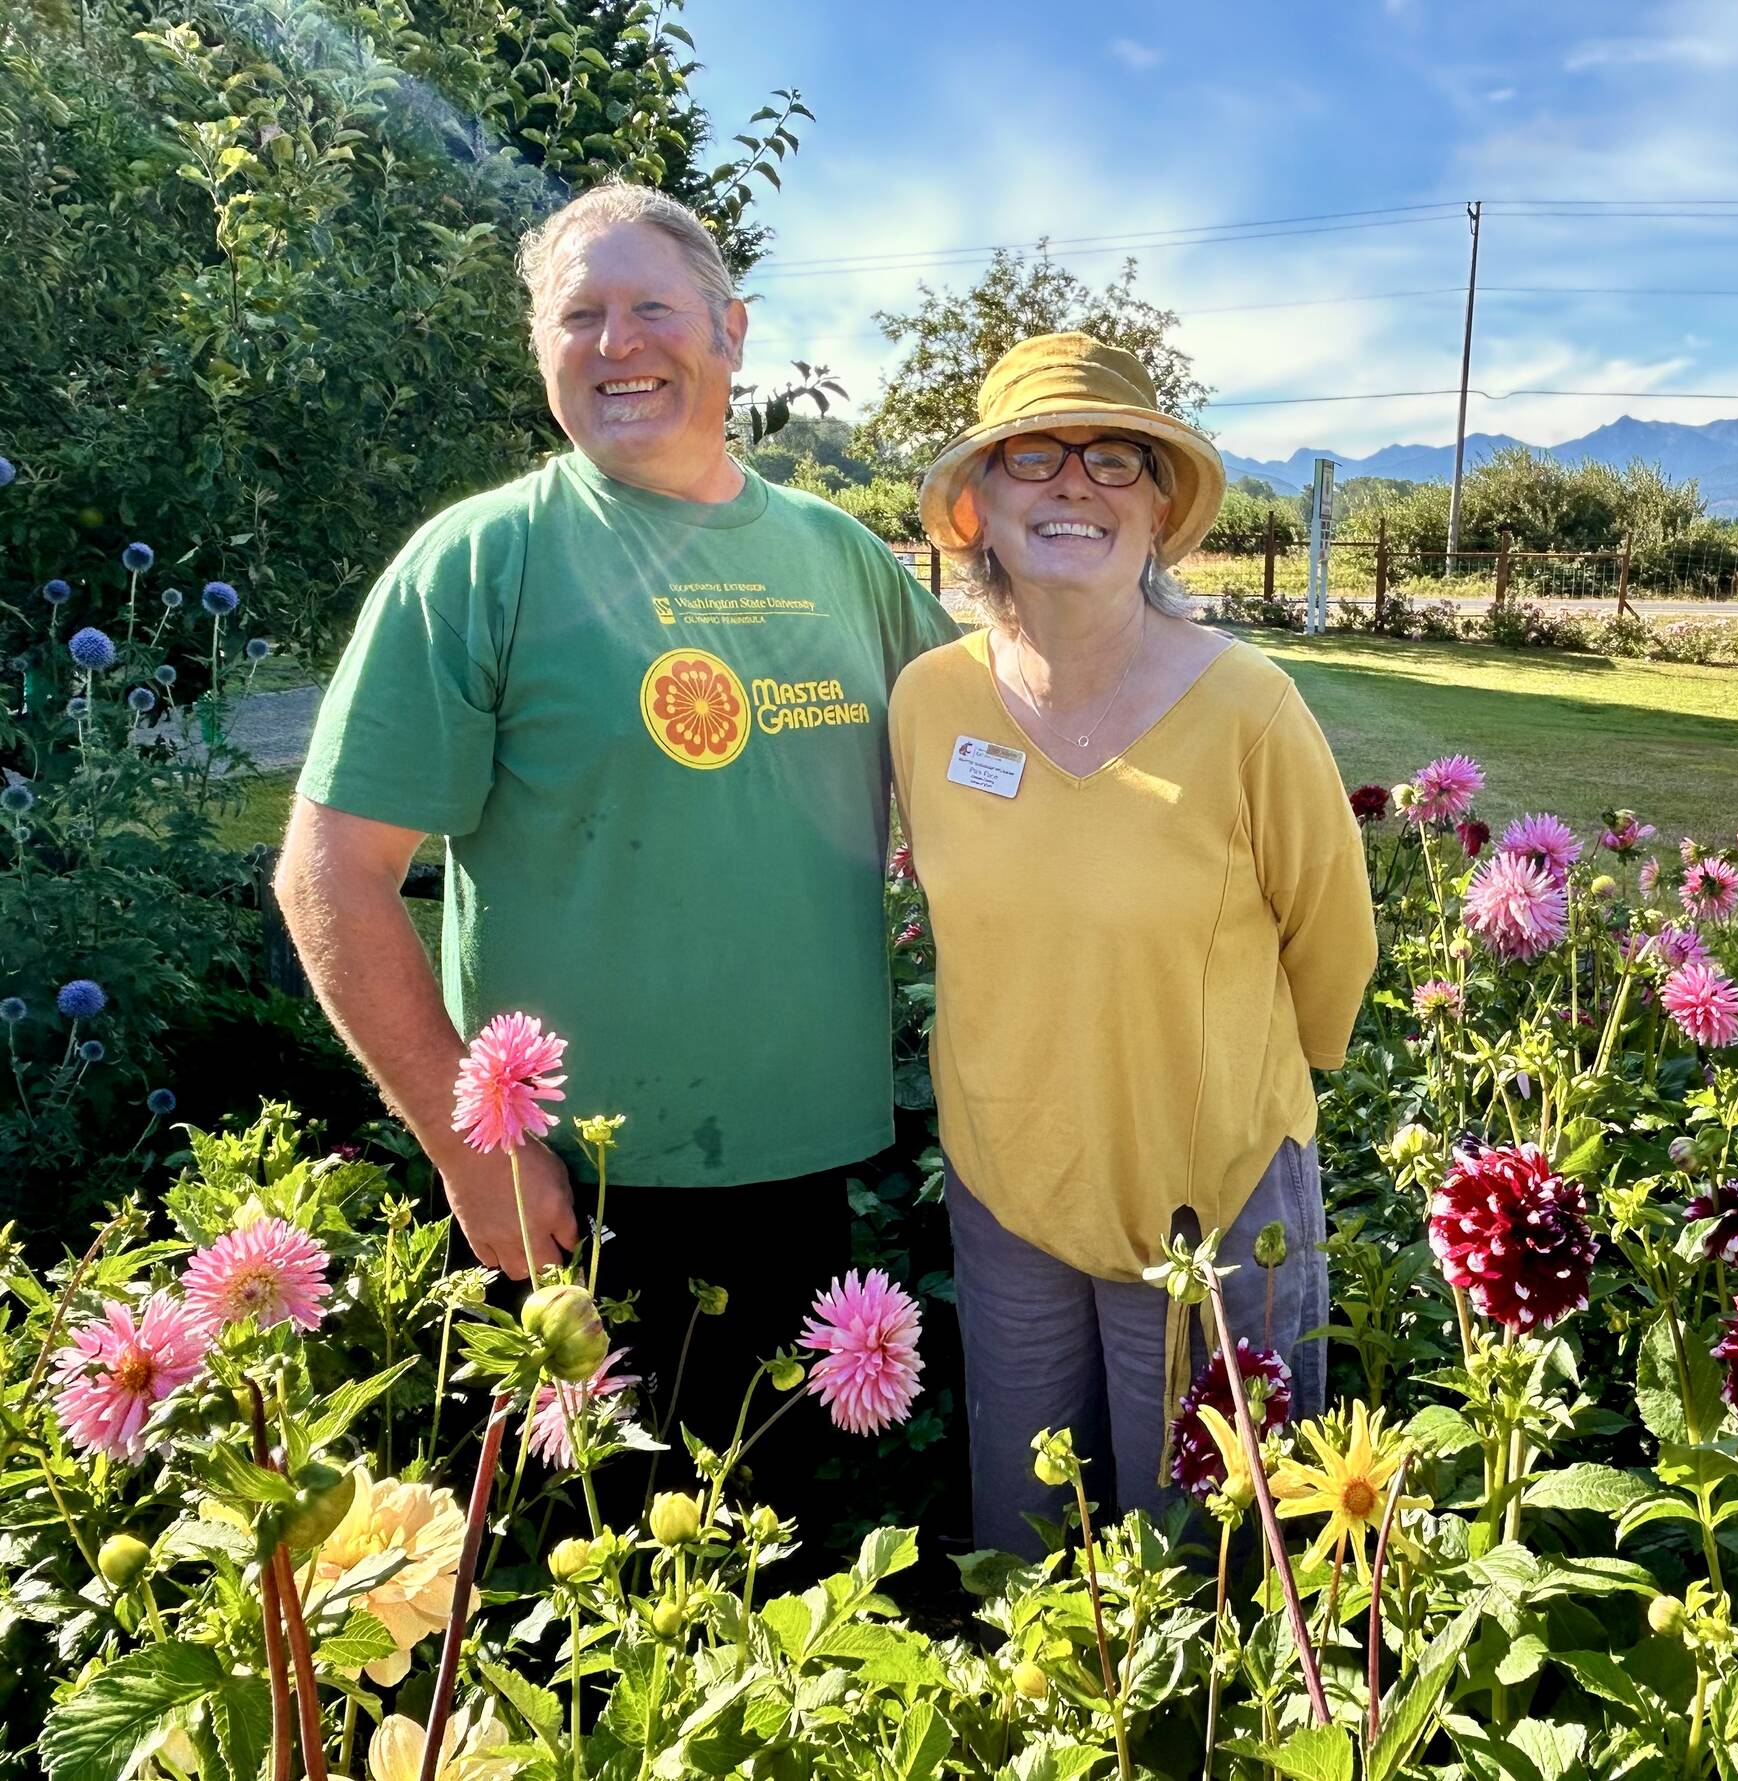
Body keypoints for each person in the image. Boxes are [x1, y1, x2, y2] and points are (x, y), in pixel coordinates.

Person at [276, 183, 956, 1494]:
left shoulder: (842, 558)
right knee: (599, 1630)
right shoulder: (478, 563)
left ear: (733, 330)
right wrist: (471, 1144)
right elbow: (330, 873)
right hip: (574, 1200)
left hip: (822, 1181)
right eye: (579, 315)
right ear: (541, 352)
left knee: (805, 1596)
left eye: (652, 306)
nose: (617, 342)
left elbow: (980, 772)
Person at [888, 333, 1377, 1555]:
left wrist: (1237, 1101)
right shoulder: (927, 702)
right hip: (1006, 1181)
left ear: (1158, 508)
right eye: (1031, 457)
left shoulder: (1249, 704)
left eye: (1115, 459)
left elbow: (1334, 941)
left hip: (1210, 1188)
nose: (1073, 484)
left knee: (1208, 1544)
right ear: (975, 507)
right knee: (1024, 1530)